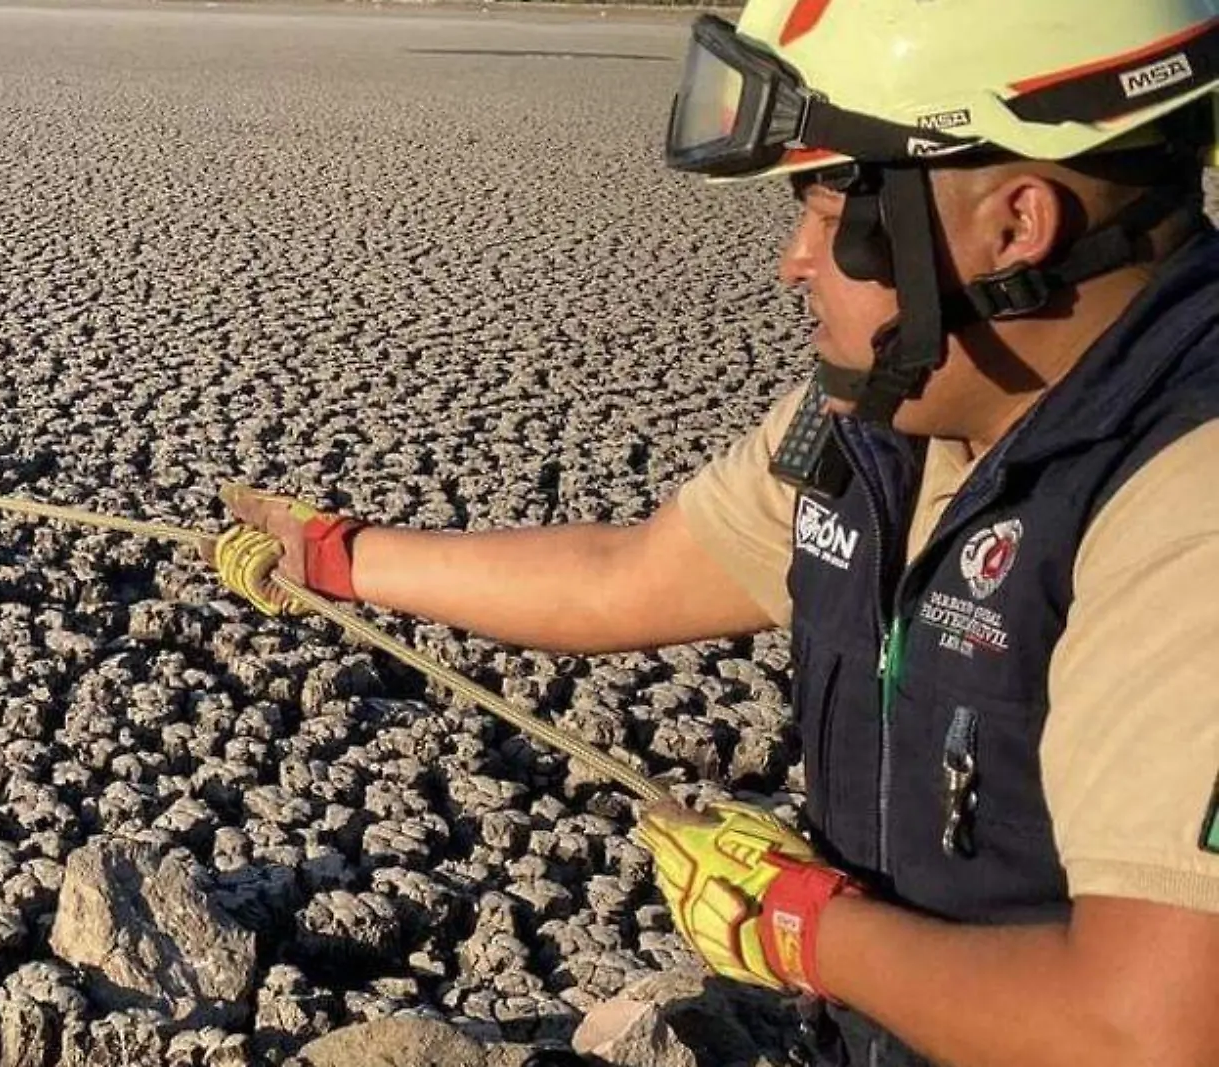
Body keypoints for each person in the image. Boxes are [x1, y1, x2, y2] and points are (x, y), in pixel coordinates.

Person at [208, 2, 1219, 1064]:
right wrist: (332, 556)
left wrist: (800, 924)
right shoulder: (885, 425)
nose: (792, 261)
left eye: (832, 215)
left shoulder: (1185, 501)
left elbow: (1148, 1031)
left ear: (1014, 227)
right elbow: (626, 578)